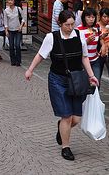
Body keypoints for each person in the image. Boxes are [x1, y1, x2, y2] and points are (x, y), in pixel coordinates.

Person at [25, 10, 98, 161]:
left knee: (76, 119)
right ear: (60, 23)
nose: (70, 27)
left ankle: (61, 128)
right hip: (58, 80)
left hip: (77, 80)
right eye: (67, 25)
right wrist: (30, 70)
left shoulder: (80, 36)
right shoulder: (51, 38)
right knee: (67, 116)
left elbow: (84, 57)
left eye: (72, 24)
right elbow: (40, 55)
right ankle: (66, 147)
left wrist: (91, 76)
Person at [77, 7, 102, 83]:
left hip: (95, 60)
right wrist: (87, 41)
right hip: (83, 61)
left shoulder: (97, 27)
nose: (91, 19)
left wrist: (103, 45)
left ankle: (95, 94)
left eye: (93, 17)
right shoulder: (79, 29)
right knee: (84, 84)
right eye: (88, 17)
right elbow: (76, 46)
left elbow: (100, 39)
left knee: (96, 82)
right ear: (84, 18)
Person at [4, 0, 25, 66]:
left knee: (17, 45)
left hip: (17, 30)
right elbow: (5, 22)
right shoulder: (6, 10)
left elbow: (23, 18)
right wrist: (6, 31)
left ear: (14, 2)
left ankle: (18, 61)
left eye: (11, 0)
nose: (10, 2)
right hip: (10, 30)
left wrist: (21, 26)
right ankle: (13, 60)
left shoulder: (18, 9)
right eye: (9, 0)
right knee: (11, 46)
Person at [98, 7, 109, 80]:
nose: (107, 19)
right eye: (104, 16)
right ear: (100, 16)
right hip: (100, 53)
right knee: (98, 74)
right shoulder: (96, 26)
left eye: (108, 16)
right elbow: (94, 38)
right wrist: (102, 36)